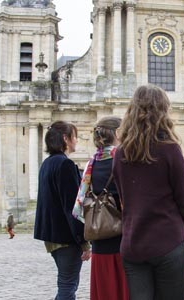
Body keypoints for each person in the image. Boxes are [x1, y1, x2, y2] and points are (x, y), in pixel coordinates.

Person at [112, 85, 184, 300]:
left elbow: (123, 200)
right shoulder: (170, 149)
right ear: (163, 111)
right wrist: (182, 237)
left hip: (133, 243)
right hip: (169, 240)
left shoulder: (119, 154)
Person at [72, 116, 129, 300]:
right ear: (117, 134)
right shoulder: (124, 161)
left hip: (100, 239)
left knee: (105, 292)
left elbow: (79, 206)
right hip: (123, 238)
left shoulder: (91, 164)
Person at [34, 120, 91, 300]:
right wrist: (83, 241)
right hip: (66, 237)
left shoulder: (47, 163)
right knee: (68, 286)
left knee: (66, 283)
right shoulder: (64, 164)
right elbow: (72, 207)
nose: (76, 141)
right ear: (66, 139)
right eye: (74, 136)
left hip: (51, 236)